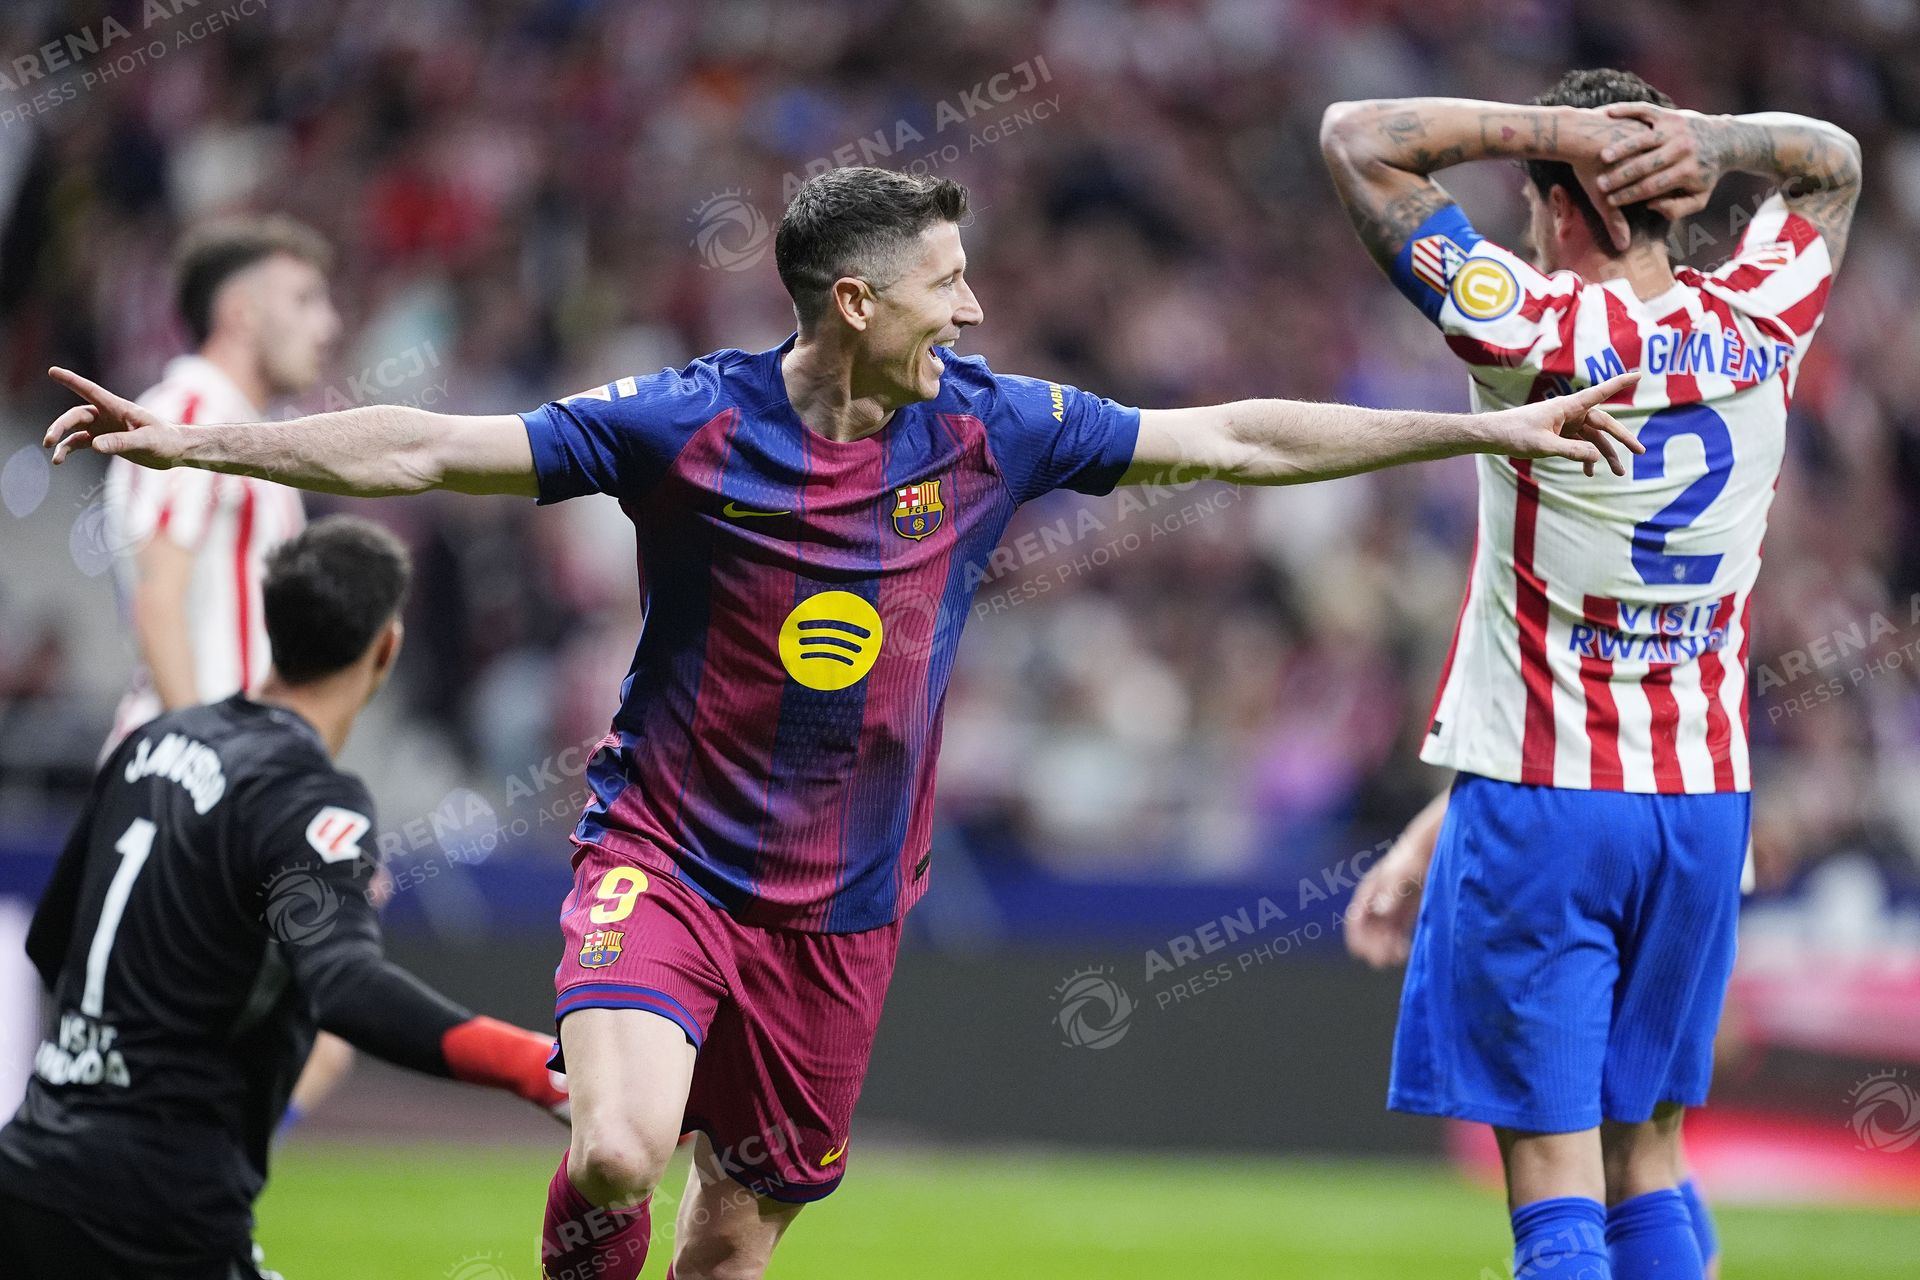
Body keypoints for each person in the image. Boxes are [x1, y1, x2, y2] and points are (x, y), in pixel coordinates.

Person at [42, 165, 1640, 1280]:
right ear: (858, 299)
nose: (978, 307)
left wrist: (1480, 431)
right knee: (618, 1148)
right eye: (950, 283)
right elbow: (431, 450)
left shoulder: (995, 427)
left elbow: (1231, 439)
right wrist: (205, 446)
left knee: (734, 1244)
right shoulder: (688, 424)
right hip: (665, 859)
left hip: (846, 909)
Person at [1321, 69, 1858, 1280]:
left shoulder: (1534, 329)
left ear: (1566, 206)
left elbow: (1359, 138)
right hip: (1701, 807)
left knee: (1557, 1190)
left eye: (1533, 198)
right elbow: (1836, 164)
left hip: (1547, 810)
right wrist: (1714, 138)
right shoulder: (1763, 316)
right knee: (1646, 1158)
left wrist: (1567, 135)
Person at [0, 516, 568, 1280]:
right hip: (156, 1213)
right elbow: (348, 988)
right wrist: (536, 1067)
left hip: (28, 1176)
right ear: (387, 646)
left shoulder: (149, 744)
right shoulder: (307, 798)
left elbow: (50, 945)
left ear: (271, 625)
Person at [99, 215, 361, 1125]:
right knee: (225, 1040)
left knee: (307, 1026)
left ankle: (195, 1193)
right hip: (192, 780)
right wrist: (208, 765)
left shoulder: (245, 434)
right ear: (241, 311)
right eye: (305, 298)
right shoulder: (187, 410)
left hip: (231, 776)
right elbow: (159, 599)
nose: (328, 323)